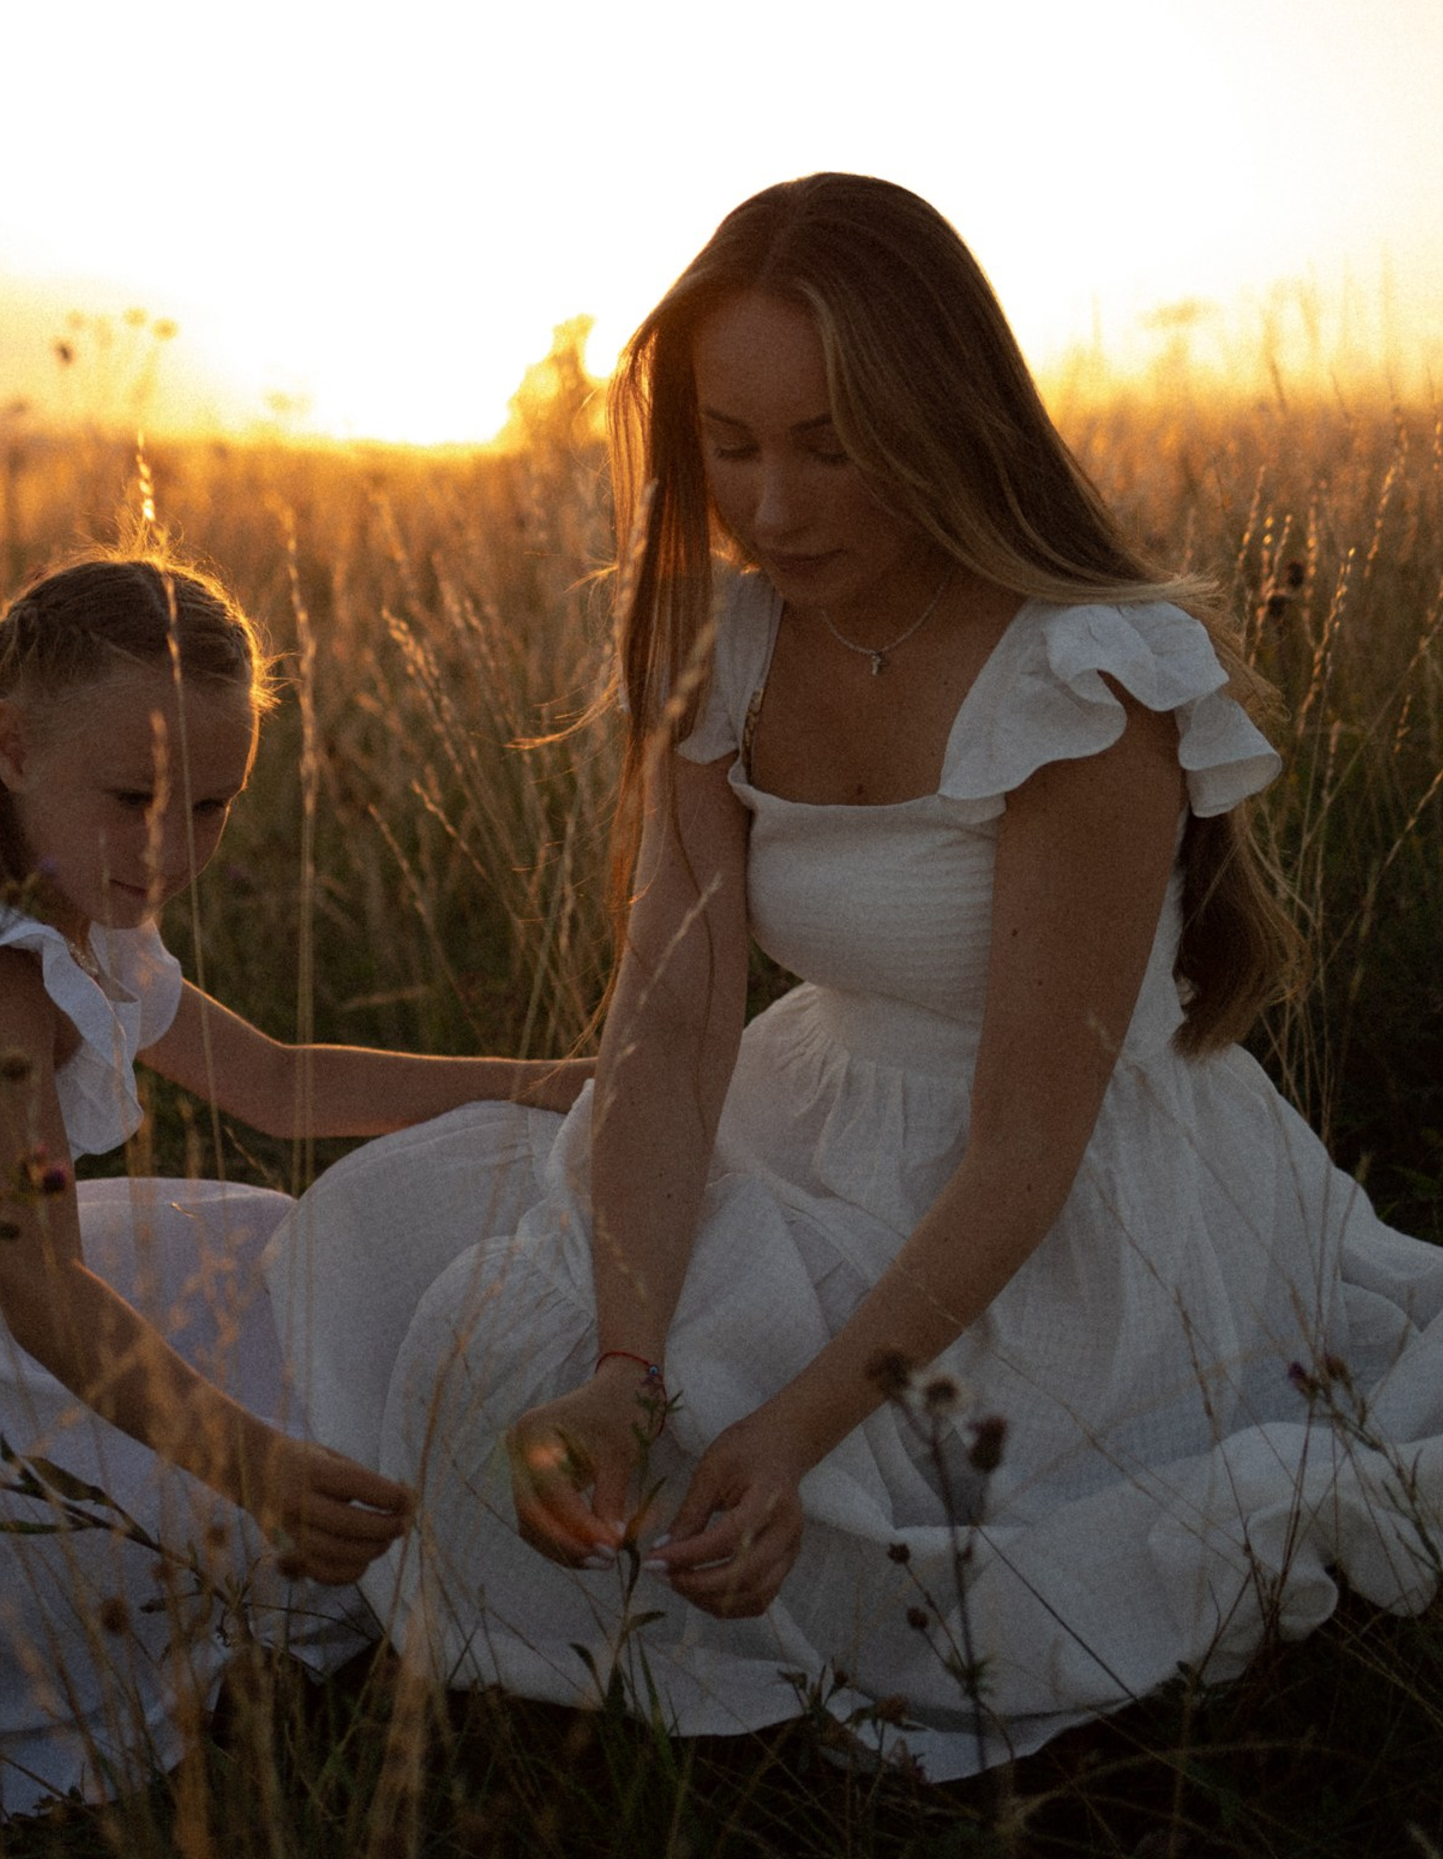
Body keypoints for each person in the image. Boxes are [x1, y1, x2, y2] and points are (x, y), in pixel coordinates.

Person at [271, 175, 1443, 1779]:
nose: (775, 501)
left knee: (782, 1448)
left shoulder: (1083, 679)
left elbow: (1028, 1144)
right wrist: (625, 1368)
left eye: (833, 443)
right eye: (730, 443)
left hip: (1068, 1200)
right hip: (806, 1109)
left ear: (948, 416)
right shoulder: (715, 642)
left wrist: (804, 1420)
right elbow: (671, 1035)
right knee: (448, 1294)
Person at [0, 554, 591, 1818]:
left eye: (210, 807)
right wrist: (254, 1466)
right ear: (12, 746)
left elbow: (280, 1083)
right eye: (134, 797)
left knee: (281, 1254)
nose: (167, 849)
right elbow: (39, 1294)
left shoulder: (69, 900)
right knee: (237, 1479)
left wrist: (551, 1080)